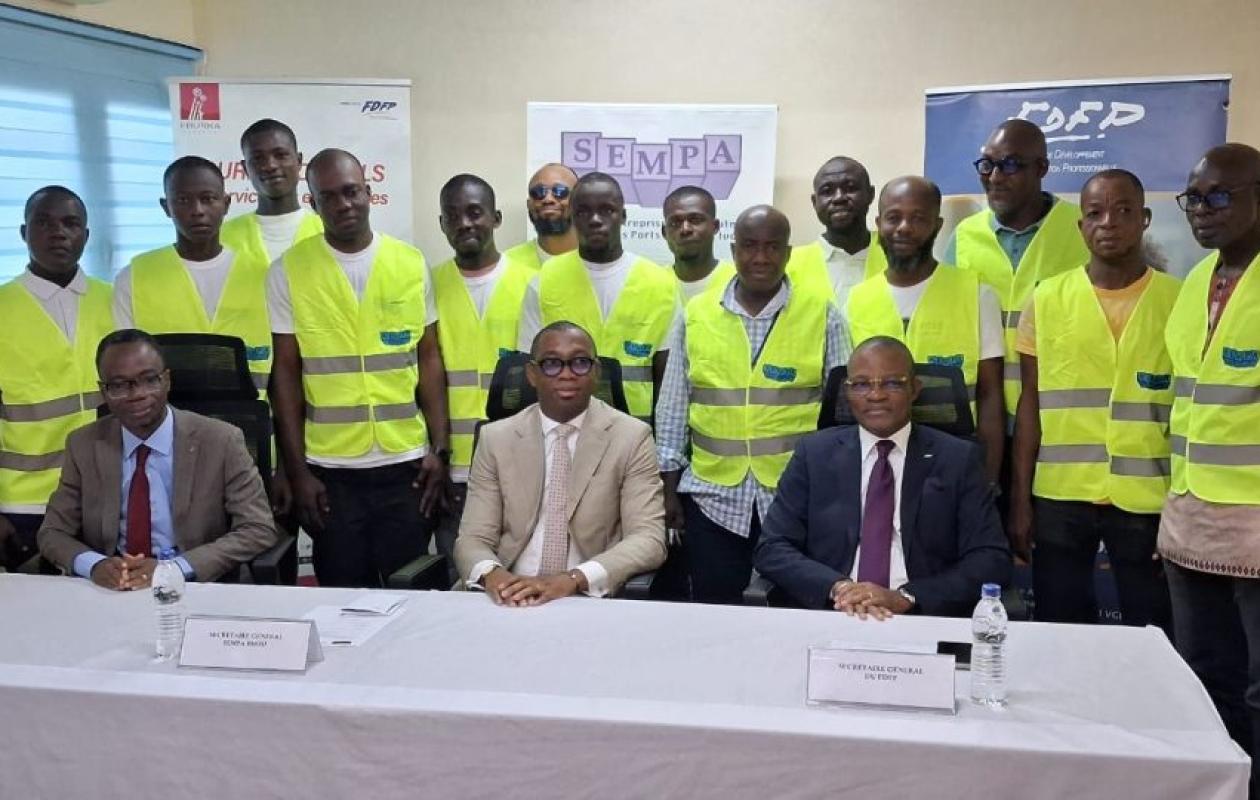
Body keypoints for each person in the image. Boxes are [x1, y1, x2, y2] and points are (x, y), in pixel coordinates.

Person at [267, 148, 451, 588]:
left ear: (369, 193)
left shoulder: (409, 262)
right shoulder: (288, 271)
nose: (343, 204)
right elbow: (286, 377)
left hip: (405, 465)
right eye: (328, 196)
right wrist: (298, 471)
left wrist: (439, 450)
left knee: (413, 594)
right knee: (343, 598)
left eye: (351, 192)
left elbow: (428, 358)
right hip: (331, 472)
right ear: (313, 204)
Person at [655, 204, 849, 604]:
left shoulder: (822, 314)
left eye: (772, 247)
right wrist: (669, 490)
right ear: (733, 249)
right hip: (712, 497)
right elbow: (673, 409)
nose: (760, 257)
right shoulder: (696, 315)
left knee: (794, 609)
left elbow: (844, 415)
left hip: (795, 497)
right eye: (749, 246)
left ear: (788, 253)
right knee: (716, 610)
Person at [1011, 169, 1178, 628]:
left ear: (1144, 219)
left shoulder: (1179, 300)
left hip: (1147, 500)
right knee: (1060, 628)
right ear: (1080, 226)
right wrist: (1020, 500)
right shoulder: (1046, 299)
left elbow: (1188, 413)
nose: (1109, 222)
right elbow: (1030, 404)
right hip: (1060, 497)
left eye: (1124, 211)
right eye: (1095, 213)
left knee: (1152, 629)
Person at [754, 336, 1010, 617]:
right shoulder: (813, 454)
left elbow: (990, 558)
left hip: (917, 616)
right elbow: (773, 547)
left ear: (915, 389)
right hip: (834, 612)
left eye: (892, 383)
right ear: (847, 391)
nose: (876, 395)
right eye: (862, 384)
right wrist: (838, 588)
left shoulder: (957, 459)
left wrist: (908, 597)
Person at [1160, 143, 1260, 795]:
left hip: (1255, 522)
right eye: (1193, 198)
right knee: (1201, 676)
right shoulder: (1196, 281)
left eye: (1219, 196)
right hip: (1191, 517)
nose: (1203, 210)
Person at [37, 329, 278, 588]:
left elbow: (257, 528)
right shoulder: (83, 443)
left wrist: (172, 570)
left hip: (192, 584)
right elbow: (53, 532)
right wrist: (94, 565)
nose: (137, 394)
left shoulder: (221, 440)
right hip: (115, 587)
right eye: (119, 385)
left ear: (167, 380)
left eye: (149, 379)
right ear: (104, 391)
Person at [454, 321, 667, 605]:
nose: (567, 374)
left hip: (585, 597)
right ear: (532, 374)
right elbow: (472, 538)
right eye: (552, 364)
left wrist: (573, 579)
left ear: (595, 372)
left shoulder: (631, 437)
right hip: (508, 595)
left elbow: (649, 540)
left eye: (580, 363)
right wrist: (496, 578)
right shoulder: (496, 439)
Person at [846, 176, 1005, 482]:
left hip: (955, 467)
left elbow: (990, 398)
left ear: (937, 224)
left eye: (918, 218)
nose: (904, 227)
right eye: (893, 217)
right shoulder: (856, 299)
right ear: (879, 223)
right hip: (878, 469)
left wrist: (989, 480)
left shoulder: (976, 293)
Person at [945, 119, 1091, 419]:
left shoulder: (1083, 230)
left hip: (1058, 415)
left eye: (1010, 165)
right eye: (987, 164)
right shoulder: (963, 237)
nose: (995, 177)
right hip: (981, 416)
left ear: (1041, 168)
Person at [0, 187, 113, 571]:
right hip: (25, 504)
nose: (58, 233)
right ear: (23, 233)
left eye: (70, 223)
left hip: (106, 494)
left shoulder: (114, 300)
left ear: (86, 234)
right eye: (43, 223)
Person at [431, 174, 535, 569]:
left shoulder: (532, 284)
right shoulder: (427, 283)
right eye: (452, 215)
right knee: (462, 581)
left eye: (475, 213)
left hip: (517, 467)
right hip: (451, 471)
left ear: (496, 217)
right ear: (442, 224)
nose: (464, 223)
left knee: (521, 580)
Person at [517, 172, 679, 423]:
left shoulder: (660, 283)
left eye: (607, 210)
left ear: (623, 216)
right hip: (562, 432)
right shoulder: (545, 280)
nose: (595, 220)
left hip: (635, 437)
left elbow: (668, 381)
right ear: (571, 217)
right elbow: (530, 372)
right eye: (583, 212)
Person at [113, 156, 273, 399]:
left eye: (208, 199)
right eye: (183, 200)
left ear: (226, 204)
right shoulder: (134, 277)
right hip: (169, 431)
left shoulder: (265, 276)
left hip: (249, 432)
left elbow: (284, 373)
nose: (197, 211)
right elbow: (125, 370)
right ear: (166, 207)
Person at [784, 156, 888, 308]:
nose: (839, 198)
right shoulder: (789, 263)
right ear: (815, 202)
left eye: (851, 188)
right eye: (827, 191)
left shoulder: (895, 255)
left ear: (870, 195)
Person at [220, 118, 324, 268]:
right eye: (258, 158)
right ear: (245, 168)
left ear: (299, 160)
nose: (270, 165)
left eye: (280, 155)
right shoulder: (222, 239)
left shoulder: (327, 231)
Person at [661, 185, 734, 302]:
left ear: (715, 227)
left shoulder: (738, 282)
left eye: (695, 220)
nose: (685, 229)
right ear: (664, 232)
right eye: (675, 222)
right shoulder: (654, 283)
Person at [502, 163, 579, 271]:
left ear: (579, 201)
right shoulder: (506, 265)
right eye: (538, 192)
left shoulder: (600, 262)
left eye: (560, 191)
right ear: (529, 204)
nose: (548, 199)